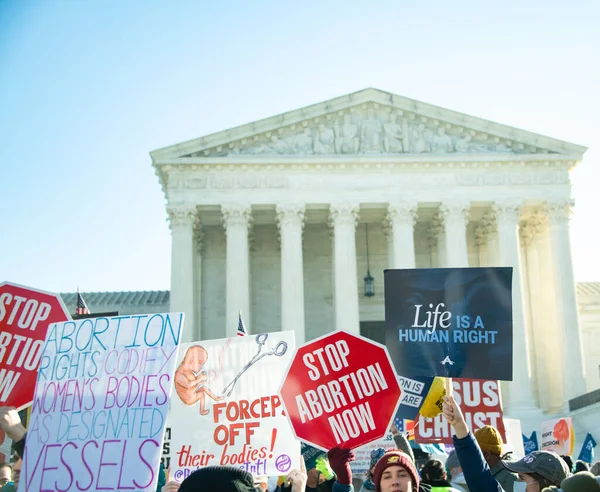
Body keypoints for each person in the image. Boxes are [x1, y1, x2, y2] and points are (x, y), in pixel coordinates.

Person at [474, 425, 517, 492]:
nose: (471, 458)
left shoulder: (509, 477)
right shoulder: (487, 473)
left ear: (487, 455)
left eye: (474, 453)